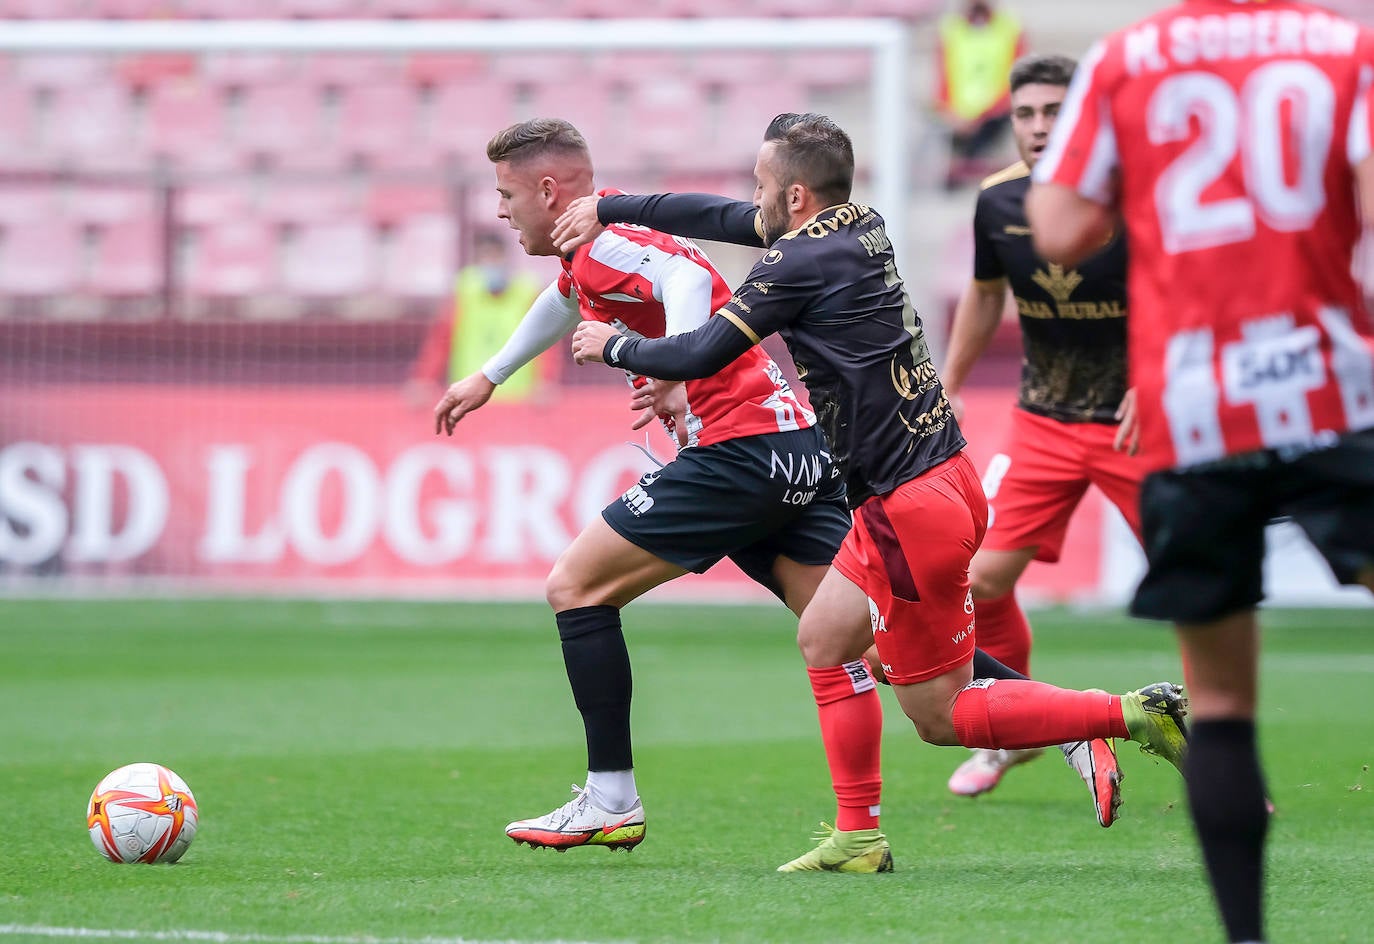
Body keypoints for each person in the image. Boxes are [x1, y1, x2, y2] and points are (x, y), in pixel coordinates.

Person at [558, 114, 1190, 873]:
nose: (748, 201)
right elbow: (727, 219)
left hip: (907, 506)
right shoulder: (860, 226)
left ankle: (1124, 714)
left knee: (942, 713)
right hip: (934, 477)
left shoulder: (791, 267)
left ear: (794, 195)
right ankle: (858, 836)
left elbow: (701, 352)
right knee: (826, 639)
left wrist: (615, 345)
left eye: (760, 185)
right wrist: (618, 207)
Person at [1026, 4, 1374, 941]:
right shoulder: (1347, 49)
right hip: (1331, 391)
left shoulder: (1129, 58)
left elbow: (1057, 228)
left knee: (1220, 704)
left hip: (1196, 406)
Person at [432, 117, 852, 854]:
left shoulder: (604, 241)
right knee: (865, 631)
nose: (501, 211)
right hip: (791, 444)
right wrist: (490, 375)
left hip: (737, 450)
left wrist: (671, 368)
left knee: (577, 587)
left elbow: (688, 281)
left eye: (505, 194)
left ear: (548, 188)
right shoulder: (596, 244)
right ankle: (1062, 721)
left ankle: (610, 799)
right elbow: (566, 298)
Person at [937, 53, 1145, 814]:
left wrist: (1154, 383)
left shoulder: (1133, 193)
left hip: (1136, 424)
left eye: (1054, 111)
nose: (1037, 127)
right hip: (1044, 421)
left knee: (1200, 593)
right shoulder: (997, 203)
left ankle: (1223, 765)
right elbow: (987, 297)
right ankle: (1018, 728)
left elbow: (1180, 293)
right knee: (981, 578)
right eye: (1025, 114)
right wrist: (950, 385)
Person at [404, 228, 543, 408]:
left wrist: (544, 381)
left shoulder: (525, 290)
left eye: (496, 257)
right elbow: (442, 339)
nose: (492, 264)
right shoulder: (465, 290)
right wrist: (424, 378)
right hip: (470, 395)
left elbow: (543, 341)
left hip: (518, 398)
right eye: (486, 258)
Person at [935, 0, 1027, 186]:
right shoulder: (951, 29)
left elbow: (1015, 79)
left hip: (996, 114)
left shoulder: (1009, 29)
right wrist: (951, 112)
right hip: (959, 116)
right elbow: (942, 77)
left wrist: (982, 115)